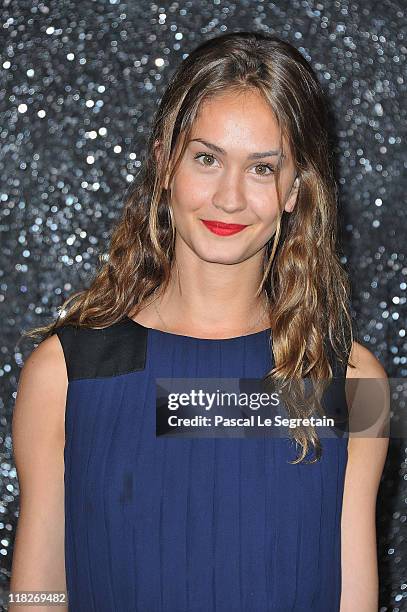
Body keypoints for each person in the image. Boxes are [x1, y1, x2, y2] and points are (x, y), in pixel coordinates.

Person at [10, 31, 389, 611]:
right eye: (206, 159)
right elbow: (38, 592)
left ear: (295, 189)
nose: (230, 198)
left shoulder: (357, 383)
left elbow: (354, 599)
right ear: (165, 160)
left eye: (262, 168)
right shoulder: (64, 375)